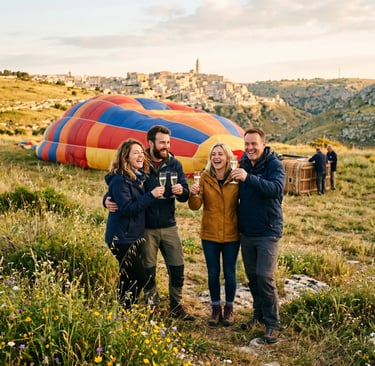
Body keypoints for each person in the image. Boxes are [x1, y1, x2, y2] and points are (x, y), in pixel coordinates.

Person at [105, 125, 195, 321]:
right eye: (162, 142)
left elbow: (185, 194)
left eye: (168, 143)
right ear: (151, 143)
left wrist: (183, 192)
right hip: (145, 227)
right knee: (147, 270)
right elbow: (118, 181)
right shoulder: (140, 162)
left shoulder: (175, 164)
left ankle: (176, 305)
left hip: (169, 224)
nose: (166, 146)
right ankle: (151, 306)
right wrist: (106, 199)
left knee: (177, 266)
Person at [230, 128, 285, 344]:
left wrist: (248, 178)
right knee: (253, 276)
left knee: (265, 276)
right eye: (247, 144)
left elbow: (276, 189)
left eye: (254, 144)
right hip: (247, 231)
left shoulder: (274, 164)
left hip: (268, 230)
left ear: (263, 144)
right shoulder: (243, 163)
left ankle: (273, 323)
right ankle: (258, 314)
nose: (250, 148)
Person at [104, 139, 164, 309]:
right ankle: (125, 310)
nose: (140, 155)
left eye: (141, 152)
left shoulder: (138, 177)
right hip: (121, 238)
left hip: (133, 236)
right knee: (140, 277)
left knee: (127, 276)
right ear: (126, 157)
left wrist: (105, 199)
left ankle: (121, 314)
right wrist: (151, 195)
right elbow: (127, 208)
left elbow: (112, 196)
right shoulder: (120, 179)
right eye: (135, 152)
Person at [189, 143, 240, 327]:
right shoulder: (204, 177)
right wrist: (193, 194)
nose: (216, 157)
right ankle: (216, 308)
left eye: (220, 154)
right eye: (213, 155)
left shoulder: (236, 177)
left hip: (232, 233)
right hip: (209, 233)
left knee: (230, 273)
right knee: (213, 273)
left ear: (227, 157)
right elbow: (195, 206)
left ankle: (229, 309)